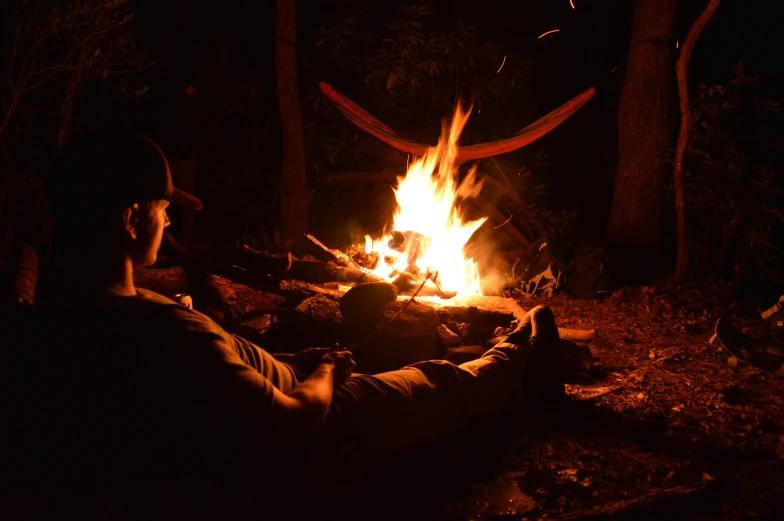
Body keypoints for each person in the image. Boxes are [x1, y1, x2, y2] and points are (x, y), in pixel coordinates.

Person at [11, 130, 565, 517]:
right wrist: (321, 373)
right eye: (162, 208)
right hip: (307, 448)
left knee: (418, 370)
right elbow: (290, 424)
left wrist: (289, 364)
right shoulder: (158, 330)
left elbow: (216, 376)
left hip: (250, 420)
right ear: (132, 218)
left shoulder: (56, 314)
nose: (170, 218)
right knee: (434, 385)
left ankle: (488, 358)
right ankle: (522, 356)